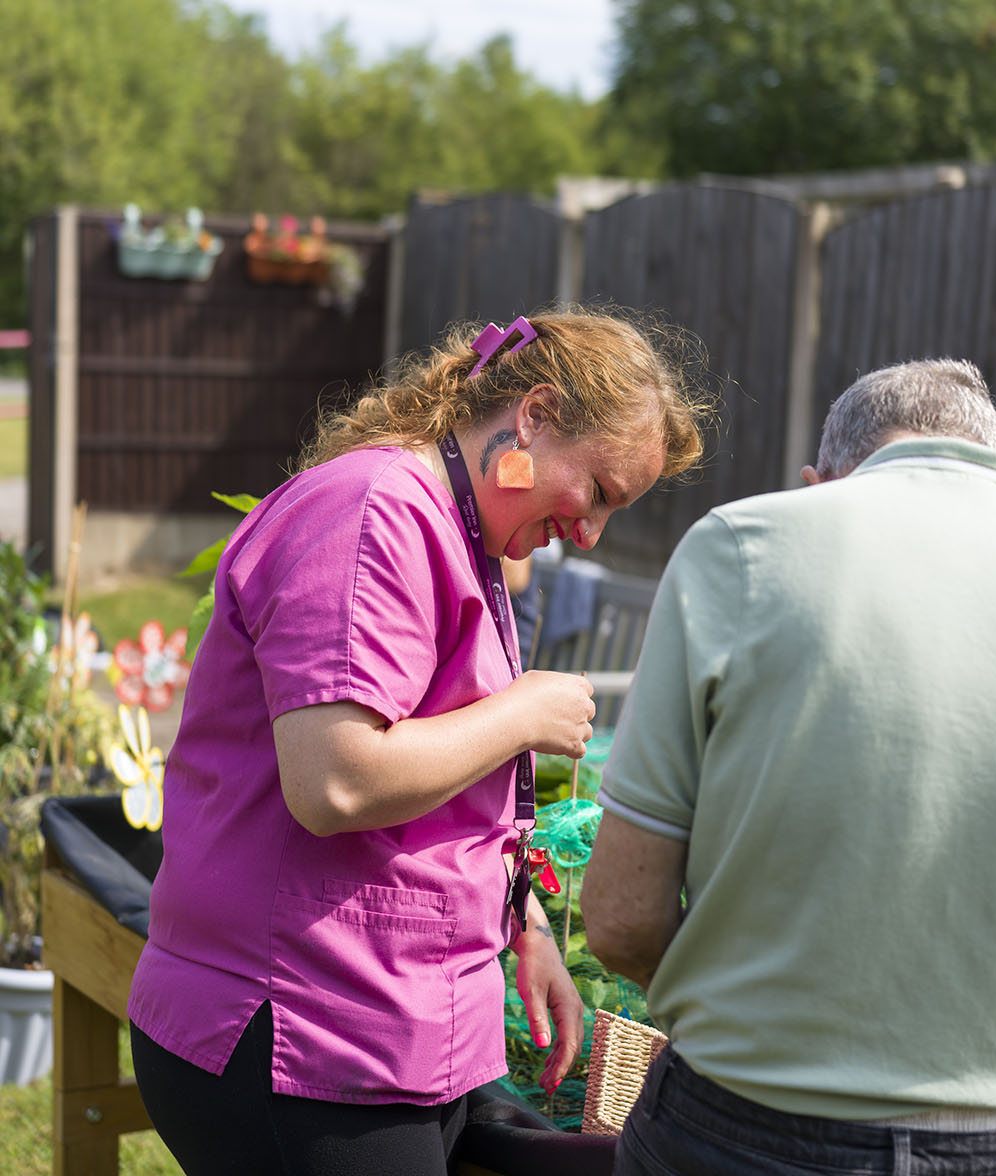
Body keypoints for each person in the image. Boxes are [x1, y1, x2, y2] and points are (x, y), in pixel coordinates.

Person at [580, 359, 996, 1176]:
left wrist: (752, 1015)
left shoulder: (741, 547)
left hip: (744, 1129)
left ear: (821, 483)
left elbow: (622, 918)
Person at [127, 306, 714, 1175]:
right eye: (597, 492)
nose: (588, 534)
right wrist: (521, 713)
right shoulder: (370, 512)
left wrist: (521, 929)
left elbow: (435, 783)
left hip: (366, 1032)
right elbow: (335, 783)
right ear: (536, 416)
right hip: (297, 1034)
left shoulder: (451, 525)